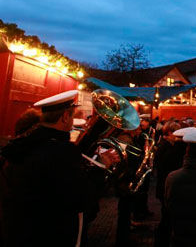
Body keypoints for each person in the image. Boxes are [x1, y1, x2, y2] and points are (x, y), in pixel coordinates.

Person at [0, 90, 113, 247]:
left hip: (20, 231)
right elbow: (81, 199)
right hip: (51, 233)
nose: (73, 121)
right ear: (65, 117)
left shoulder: (24, 144)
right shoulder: (62, 151)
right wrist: (100, 169)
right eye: (72, 116)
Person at [154, 121, 185, 247]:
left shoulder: (166, 145)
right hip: (165, 187)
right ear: (169, 133)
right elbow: (168, 165)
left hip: (165, 186)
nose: (179, 137)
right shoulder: (166, 146)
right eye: (177, 134)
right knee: (166, 219)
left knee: (166, 217)